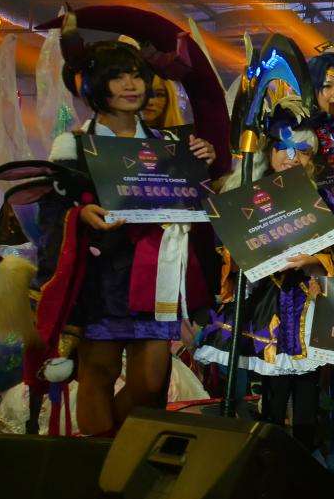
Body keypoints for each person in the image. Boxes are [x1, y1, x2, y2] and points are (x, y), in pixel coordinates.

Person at [42, 39, 216, 437]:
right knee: (98, 372)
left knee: (151, 382)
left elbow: (194, 203)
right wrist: (80, 214)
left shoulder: (169, 145)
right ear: (94, 85)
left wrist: (202, 161)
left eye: (137, 75)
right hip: (100, 277)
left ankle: (110, 453)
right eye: (118, 77)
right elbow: (51, 212)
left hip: (155, 275)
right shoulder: (72, 145)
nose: (131, 85)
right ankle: (101, 461)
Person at [193, 97, 333, 445]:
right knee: (271, 385)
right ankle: (267, 450)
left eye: (302, 151)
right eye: (284, 148)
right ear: (269, 151)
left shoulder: (321, 196)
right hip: (263, 299)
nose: (291, 157)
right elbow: (224, 244)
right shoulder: (247, 193)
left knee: (307, 387)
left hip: (307, 301)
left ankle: (305, 451)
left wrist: (312, 261)